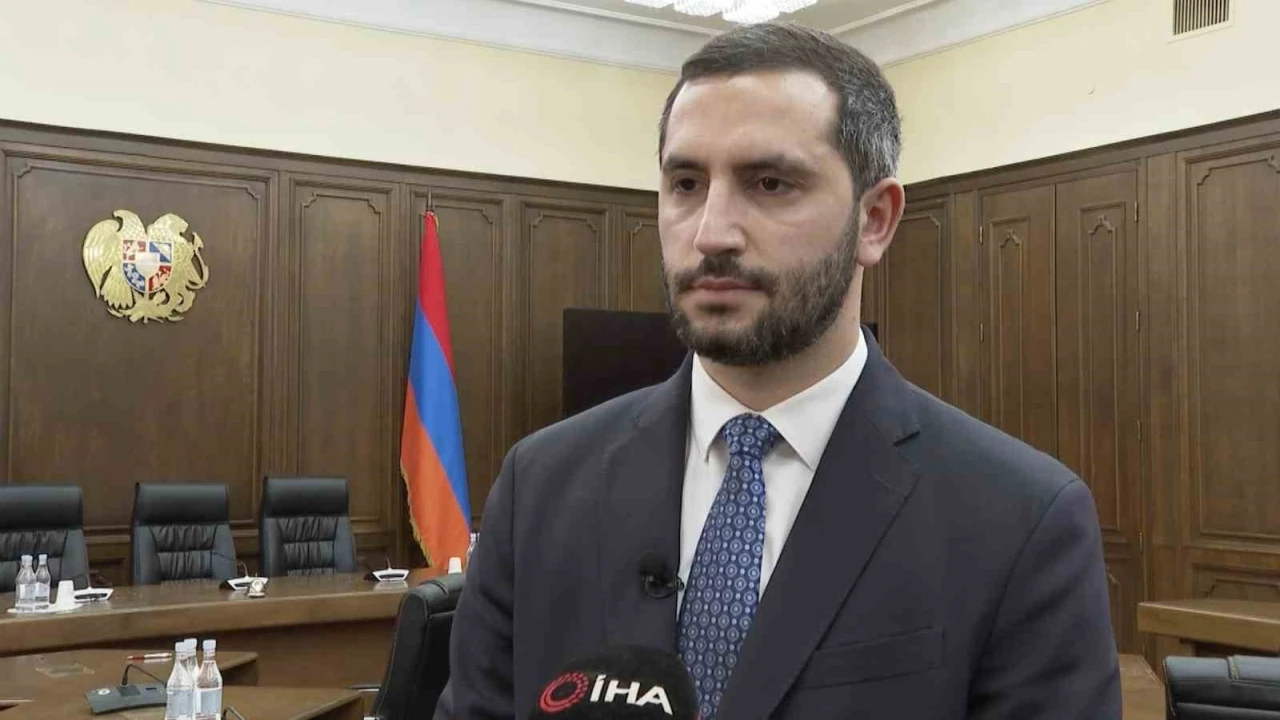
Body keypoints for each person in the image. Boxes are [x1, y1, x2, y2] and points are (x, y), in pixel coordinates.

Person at [437, 22, 1121, 720]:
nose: (711, 232)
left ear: (875, 220)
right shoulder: (541, 487)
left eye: (770, 183)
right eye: (686, 183)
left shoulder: (1020, 521)